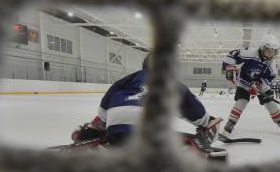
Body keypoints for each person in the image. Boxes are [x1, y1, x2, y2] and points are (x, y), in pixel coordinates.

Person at [71, 55, 227, 160]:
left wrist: (93, 127)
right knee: (177, 140)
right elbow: (190, 107)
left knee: (120, 137)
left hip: (116, 123)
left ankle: (102, 146)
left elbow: (106, 104)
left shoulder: (130, 78)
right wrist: (206, 121)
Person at [221, 34, 280, 136]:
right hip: (244, 80)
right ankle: (231, 123)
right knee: (242, 100)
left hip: (260, 83)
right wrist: (228, 67)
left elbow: (269, 77)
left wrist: (258, 84)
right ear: (262, 48)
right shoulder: (250, 53)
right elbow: (233, 54)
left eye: (273, 51)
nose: (270, 54)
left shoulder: (272, 65)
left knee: (269, 102)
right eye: (268, 50)